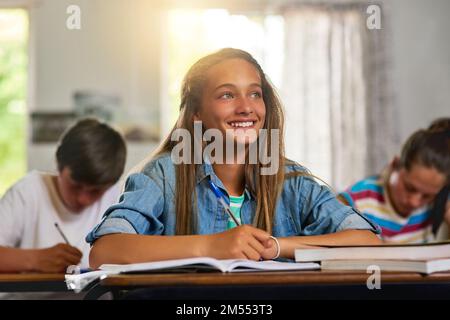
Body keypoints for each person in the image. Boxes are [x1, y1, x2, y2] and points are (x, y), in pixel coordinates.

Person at [87, 48, 380, 268]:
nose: (246, 108)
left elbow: (366, 241)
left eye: (255, 94)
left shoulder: (292, 180)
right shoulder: (163, 176)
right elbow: (106, 251)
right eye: (227, 95)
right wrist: (211, 245)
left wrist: (276, 246)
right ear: (197, 113)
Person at [0, 118, 127, 273]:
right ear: (58, 165)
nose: (83, 199)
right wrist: (35, 259)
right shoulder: (28, 192)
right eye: (75, 186)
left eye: (96, 191)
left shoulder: (119, 197)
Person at [339, 118, 450, 243]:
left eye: (427, 196)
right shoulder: (357, 200)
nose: (414, 202)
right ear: (395, 165)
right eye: (409, 188)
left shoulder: (439, 202)